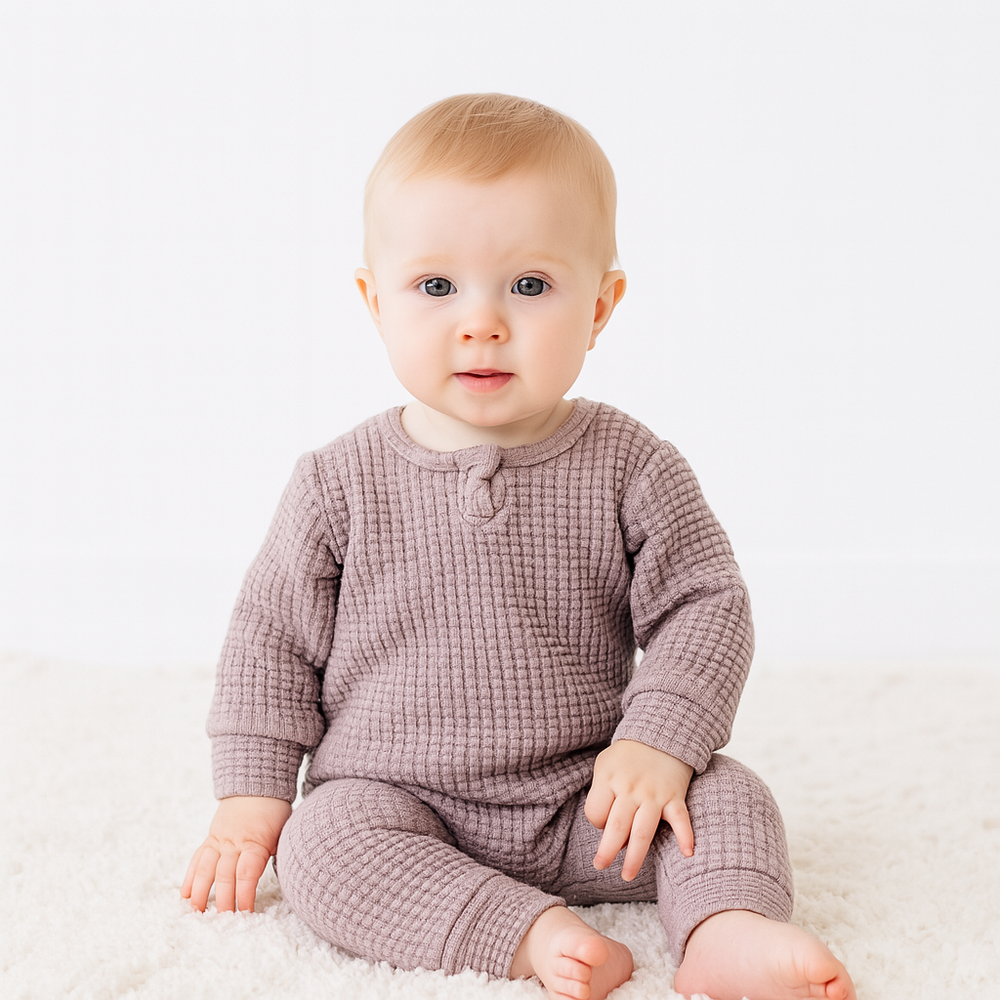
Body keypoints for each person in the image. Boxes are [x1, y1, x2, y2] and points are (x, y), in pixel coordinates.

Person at [182, 93, 856, 1000]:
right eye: (436, 287)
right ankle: (526, 935)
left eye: (530, 287)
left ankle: (727, 927)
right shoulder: (336, 482)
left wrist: (658, 741)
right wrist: (252, 795)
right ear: (375, 302)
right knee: (321, 848)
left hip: (592, 800)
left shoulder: (632, 465)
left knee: (725, 792)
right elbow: (270, 643)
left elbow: (705, 604)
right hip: (400, 803)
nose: (482, 322)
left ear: (601, 305)